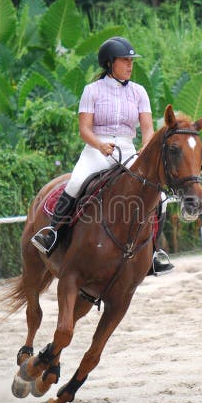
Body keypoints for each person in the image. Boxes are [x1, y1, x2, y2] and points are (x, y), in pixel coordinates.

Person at [30, 36, 174, 276]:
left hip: (128, 150)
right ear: (110, 63)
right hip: (97, 149)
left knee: (161, 197)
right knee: (75, 183)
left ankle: (155, 251)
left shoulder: (139, 92)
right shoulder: (92, 91)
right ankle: (52, 232)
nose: (130, 65)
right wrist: (99, 145)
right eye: (125, 60)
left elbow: (148, 128)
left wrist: (145, 146)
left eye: (131, 61)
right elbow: (84, 129)